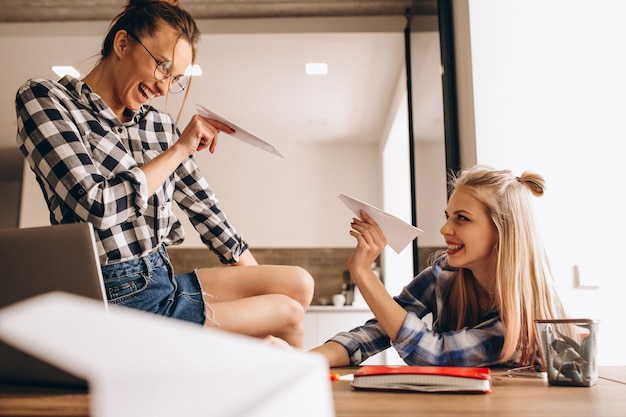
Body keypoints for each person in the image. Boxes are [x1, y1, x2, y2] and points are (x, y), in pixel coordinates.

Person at [15, 0, 313, 348]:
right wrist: (179, 150)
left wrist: (256, 282)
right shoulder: (46, 99)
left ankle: (240, 374)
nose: (162, 87)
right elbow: (97, 205)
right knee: (287, 314)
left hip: (160, 275)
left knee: (298, 284)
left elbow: (204, 207)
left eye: (174, 79)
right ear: (123, 44)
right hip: (115, 295)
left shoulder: (158, 124)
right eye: (162, 67)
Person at [311, 165, 567, 367]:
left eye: (462, 218)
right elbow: (379, 328)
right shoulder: (443, 273)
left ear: (502, 231)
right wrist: (306, 362)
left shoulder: (526, 311)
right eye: (447, 216)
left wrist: (364, 273)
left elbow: (434, 354)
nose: (445, 229)